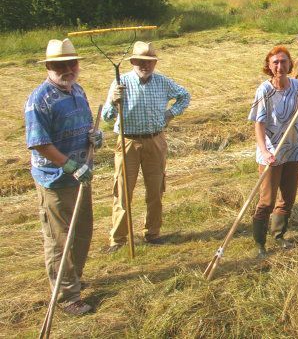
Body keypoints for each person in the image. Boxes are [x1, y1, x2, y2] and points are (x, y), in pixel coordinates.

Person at [24, 38, 102, 316]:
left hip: (81, 176)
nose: (67, 69)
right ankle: (67, 296)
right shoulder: (39, 99)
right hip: (55, 180)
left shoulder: (77, 90)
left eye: (72, 63)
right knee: (59, 239)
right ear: (48, 66)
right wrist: (69, 165)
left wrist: (95, 137)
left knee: (82, 231)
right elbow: (39, 142)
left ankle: (75, 279)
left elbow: (86, 125)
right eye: (60, 65)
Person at [102, 41, 190, 251]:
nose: (145, 65)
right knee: (123, 191)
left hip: (155, 141)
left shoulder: (162, 82)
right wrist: (114, 102)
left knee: (155, 189)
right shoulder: (120, 82)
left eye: (149, 62)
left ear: (154, 63)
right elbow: (106, 117)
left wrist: (170, 114)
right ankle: (118, 239)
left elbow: (184, 96)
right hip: (128, 142)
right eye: (140, 61)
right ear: (133, 62)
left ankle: (153, 233)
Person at [249, 46, 298, 256]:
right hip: (272, 152)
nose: (280, 66)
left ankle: (278, 235)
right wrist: (265, 151)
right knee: (267, 200)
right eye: (275, 62)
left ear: (290, 64)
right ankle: (260, 243)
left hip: (294, 149)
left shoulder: (297, 86)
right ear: (269, 66)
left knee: (288, 197)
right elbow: (258, 125)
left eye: (284, 61)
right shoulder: (264, 91)